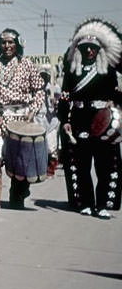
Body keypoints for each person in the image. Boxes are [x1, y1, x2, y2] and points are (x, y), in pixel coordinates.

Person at [58, 18, 122, 219]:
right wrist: (64, 120)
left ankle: (101, 204)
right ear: (79, 49)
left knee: (104, 165)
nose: (89, 51)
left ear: (99, 49)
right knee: (82, 165)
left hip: (102, 121)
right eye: (85, 47)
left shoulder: (108, 70)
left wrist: (115, 105)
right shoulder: (71, 71)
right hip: (79, 119)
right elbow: (64, 96)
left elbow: (116, 95)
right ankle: (85, 203)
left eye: (93, 47)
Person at [0, 29, 45, 210]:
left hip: (21, 120)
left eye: (11, 42)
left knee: (20, 161)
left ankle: (18, 195)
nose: (7, 46)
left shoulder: (27, 65)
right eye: (3, 43)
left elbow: (39, 90)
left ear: (17, 44)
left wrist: (33, 110)